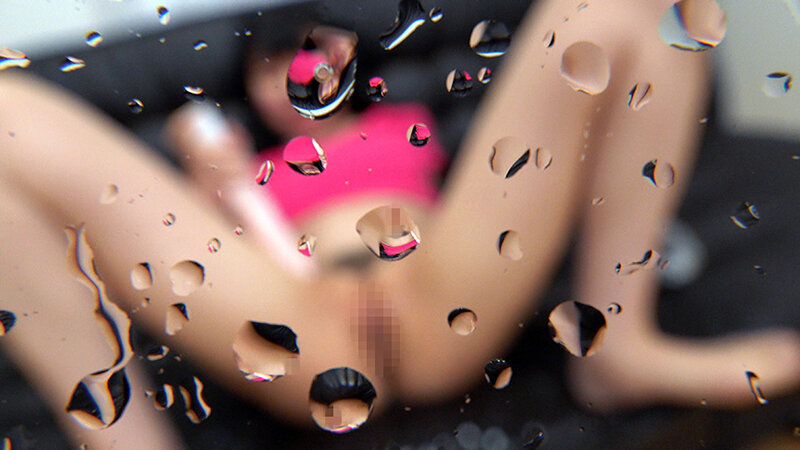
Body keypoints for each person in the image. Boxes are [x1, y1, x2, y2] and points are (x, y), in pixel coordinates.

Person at [1, 0, 798, 447]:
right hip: (300, 321)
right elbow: (211, 267)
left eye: (316, 56)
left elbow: (499, 187)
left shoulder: (401, 127)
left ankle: (620, 347)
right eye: (277, 67)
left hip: (444, 286)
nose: (302, 75)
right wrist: (217, 181)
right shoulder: (257, 170)